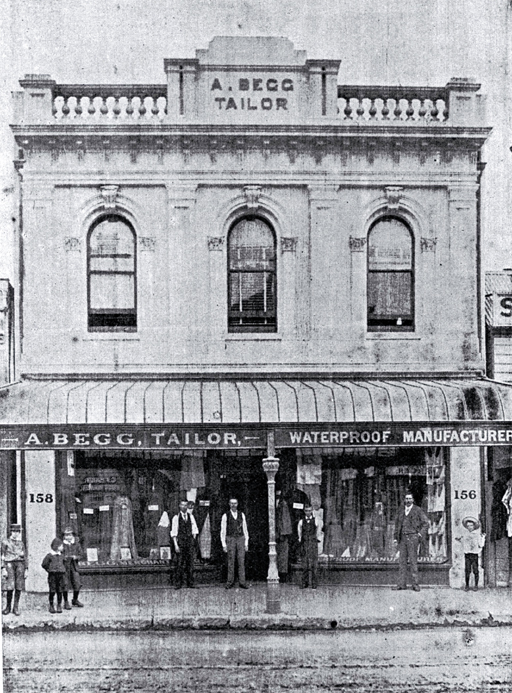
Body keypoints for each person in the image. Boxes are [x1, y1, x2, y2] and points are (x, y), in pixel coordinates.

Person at [393, 492, 429, 592]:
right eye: (406, 499)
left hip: (413, 538)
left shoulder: (417, 510)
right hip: (402, 539)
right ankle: (401, 584)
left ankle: (415, 584)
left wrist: (420, 534)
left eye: (410, 499)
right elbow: (397, 525)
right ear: (404, 500)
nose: (408, 500)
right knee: (402, 562)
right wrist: (396, 537)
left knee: (413, 562)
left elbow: (426, 523)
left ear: (413, 500)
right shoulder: (401, 511)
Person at [220, 498, 249, 589]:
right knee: (231, 561)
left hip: (240, 538)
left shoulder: (242, 515)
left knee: (241, 561)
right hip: (230, 539)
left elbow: (245, 529)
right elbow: (223, 531)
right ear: (229, 504)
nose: (233, 505)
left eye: (235, 503)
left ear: (237, 504)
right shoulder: (225, 516)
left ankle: (242, 582)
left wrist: (246, 542)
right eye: (232, 503)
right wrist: (224, 544)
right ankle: (230, 582)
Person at [171, 500, 199, 589]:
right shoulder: (176, 518)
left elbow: (195, 529)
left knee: (190, 564)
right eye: (182, 505)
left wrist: (193, 540)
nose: (184, 507)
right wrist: (176, 545)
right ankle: (178, 583)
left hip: (189, 543)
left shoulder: (191, 517)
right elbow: (174, 532)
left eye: (185, 505)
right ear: (179, 506)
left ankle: (190, 583)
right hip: (181, 543)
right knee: (179, 563)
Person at [1, 523, 28, 616]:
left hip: (20, 564)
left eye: (17, 531)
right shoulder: (5, 542)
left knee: (19, 585)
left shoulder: (21, 543)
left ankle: (15, 607)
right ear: (11, 532)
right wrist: (3, 568)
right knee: (10, 585)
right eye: (14, 531)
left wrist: (26, 569)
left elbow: (25, 557)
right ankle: (8, 607)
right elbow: (2, 556)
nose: (15, 533)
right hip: (9, 564)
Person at [458, 516, 486, 591]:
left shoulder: (477, 535)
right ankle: (467, 585)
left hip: (474, 555)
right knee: (467, 570)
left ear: (474, 526)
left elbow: (481, 544)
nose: (470, 527)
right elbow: (461, 542)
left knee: (475, 570)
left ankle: (476, 585)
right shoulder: (465, 534)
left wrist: (483, 538)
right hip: (467, 554)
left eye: (471, 525)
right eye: (468, 526)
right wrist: (460, 539)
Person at [297, 504, 322, 589]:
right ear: (304, 511)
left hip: (313, 544)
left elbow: (318, 532)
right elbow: (299, 533)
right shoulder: (301, 522)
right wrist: (301, 540)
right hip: (304, 544)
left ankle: (314, 583)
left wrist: (316, 539)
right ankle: (305, 583)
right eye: (306, 511)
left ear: (312, 511)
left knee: (314, 565)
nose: (308, 512)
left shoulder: (316, 521)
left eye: (309, 510)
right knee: (305, 565)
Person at [41, 538, 67, 614]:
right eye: (61, 546)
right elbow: (44, 564)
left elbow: (64, 564)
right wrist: (49, 570)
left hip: (61, 575)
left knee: (60, 590)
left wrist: (63, 570)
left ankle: (59, 605)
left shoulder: (62, 555)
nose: (62, 547)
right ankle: (51, 605)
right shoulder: (49, 556)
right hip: (52, 575)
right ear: (56, 546)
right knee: (52, 591)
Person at [62, 526, 84, 608]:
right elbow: (59, 554)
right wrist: (64, 557)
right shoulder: (62, 545)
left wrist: (76, 557)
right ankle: (66, 601)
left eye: (70, 535)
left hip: (74, 566)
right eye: (66, 535)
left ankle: (75, 599)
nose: (68, 537)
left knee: (77, 583)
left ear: (73, 535)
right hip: (65, 567)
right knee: (65, 584)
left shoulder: (76, 544)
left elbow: (81, 554)